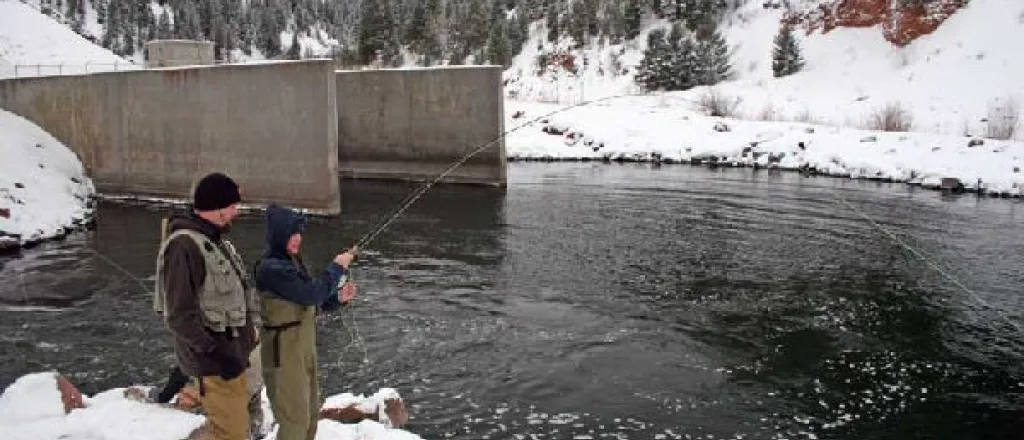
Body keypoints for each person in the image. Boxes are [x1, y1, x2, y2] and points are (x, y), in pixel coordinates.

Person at [153, 172, 261, 440]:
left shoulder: (216, 241)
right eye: (233, 206)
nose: (237, 212)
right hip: (214, 364)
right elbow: (179, 317)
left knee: (235, 428)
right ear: (218, 208)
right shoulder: (183, 247)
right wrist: (218, 352)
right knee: (231, 433)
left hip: (235, 358)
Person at [254, 203, 358, 440]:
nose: (297, 238)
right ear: (279, 235)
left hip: (303, 348)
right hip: (285, 352)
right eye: (292, 233)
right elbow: (311, 294)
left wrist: (338, 299)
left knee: (310, 415)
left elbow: (310, 303)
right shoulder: (272, 268)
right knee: (294, 420)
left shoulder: (293, 262)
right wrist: (337, 267)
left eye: (299, 233)